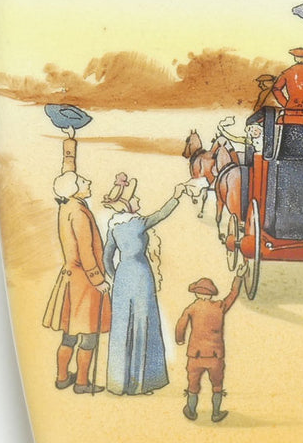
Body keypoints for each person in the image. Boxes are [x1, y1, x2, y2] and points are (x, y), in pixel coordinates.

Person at [102, 175, 186, 396]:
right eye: (135, 198)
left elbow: (106, 258)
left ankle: (119, 384)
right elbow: (161, 214)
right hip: (140, 276)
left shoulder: (114, 227)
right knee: (143, 324)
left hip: (122, 278)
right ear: (127, 203)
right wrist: (176, 196)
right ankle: (141, 384)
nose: (138, 200)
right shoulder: (138, 223)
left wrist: (116, 276)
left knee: (122, 327)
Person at [43, 168, 110, 394]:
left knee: (69, 334)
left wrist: (70, 148)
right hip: (85, 283)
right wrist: (98, 280)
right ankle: (82, 383)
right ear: (74, 189)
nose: (88, 181)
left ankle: (62, 378)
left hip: (71, 279)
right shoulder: (79, 212)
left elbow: (68, 169)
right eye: (82, 181)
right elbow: (85, 251)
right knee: (88, 336)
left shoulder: (66, 206)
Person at [175, 263, 247, 423]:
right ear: (211, 294)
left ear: (197, 293)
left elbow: (181, 325)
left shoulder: (192, 308)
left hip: (196, 356)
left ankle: (191, 411)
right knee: (217, 385)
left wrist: (180, 339)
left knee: (193, 385)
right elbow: (233, 294)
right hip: (215, 356)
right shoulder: (219, 306)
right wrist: (239, 277)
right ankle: (216, 413)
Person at [271, 48, 303, 113]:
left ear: (295, 58)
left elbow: (276, 89)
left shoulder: (287, 73)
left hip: (291, 107)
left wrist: (285, 104)